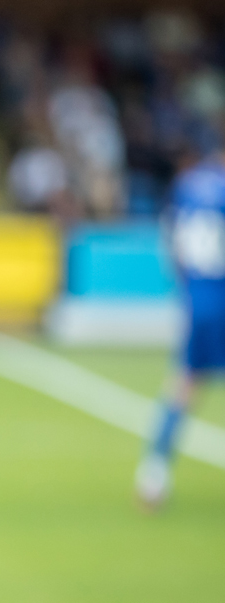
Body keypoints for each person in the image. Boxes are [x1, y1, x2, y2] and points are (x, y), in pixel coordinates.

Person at [136, 146, 225, 509]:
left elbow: (172, 243)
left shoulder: (187, 186)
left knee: (184, 384)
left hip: (198, 300)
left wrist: (187, 289)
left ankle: (153, 473)